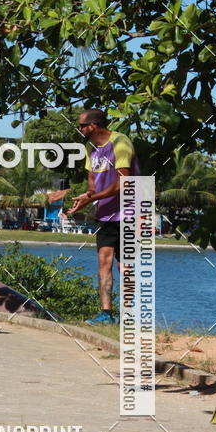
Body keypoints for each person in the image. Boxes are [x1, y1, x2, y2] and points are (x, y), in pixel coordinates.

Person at [68, 108, 140, 325]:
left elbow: (123, 183)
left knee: (125, 265)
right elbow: (92, 185)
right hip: (106, 216)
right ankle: (106, 314)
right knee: (103, 261)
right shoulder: (92, 150)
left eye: (81, 125)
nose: (79, 129)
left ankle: (129, 314)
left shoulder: (120, 142)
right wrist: (85, 198)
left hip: (129, 212)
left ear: (93, 126)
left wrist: (93, 198)